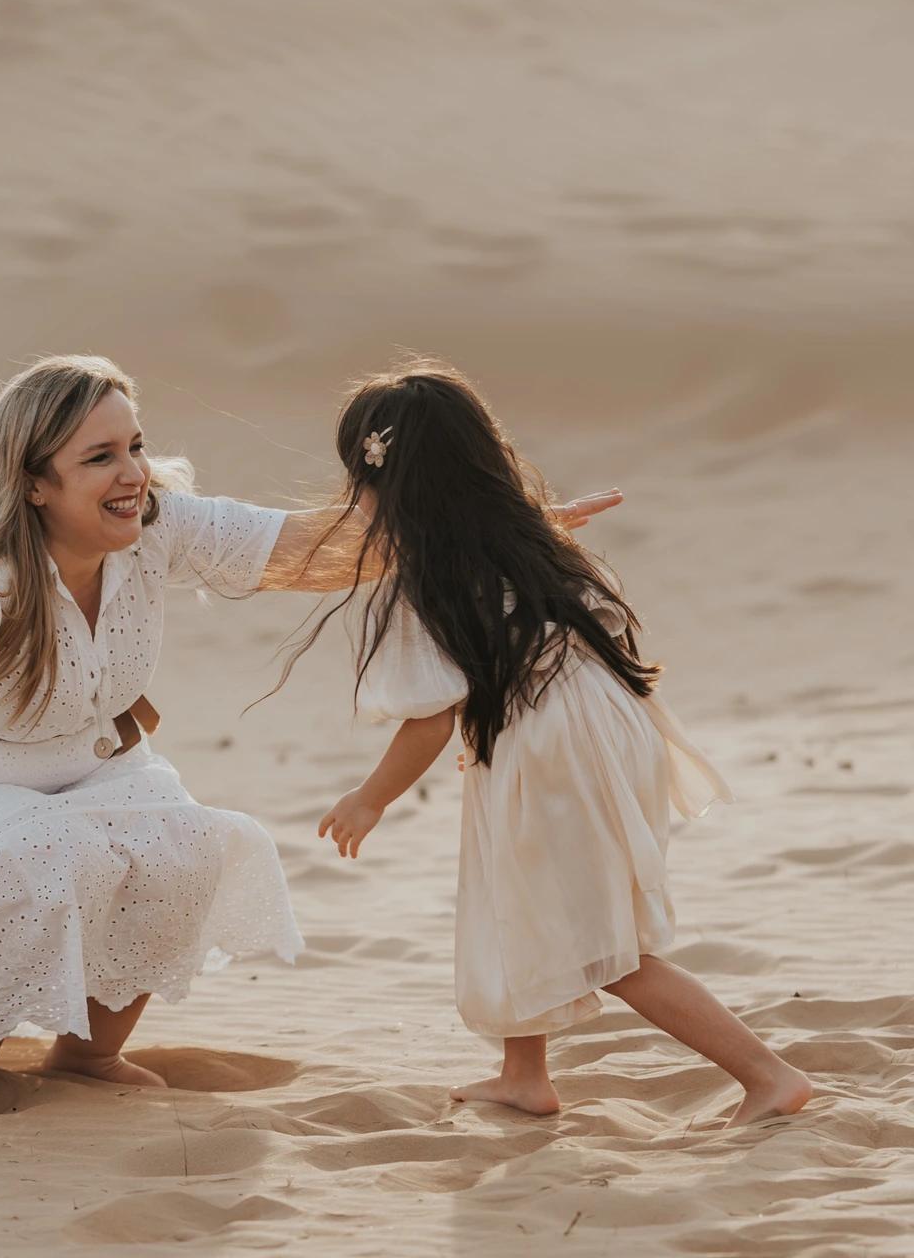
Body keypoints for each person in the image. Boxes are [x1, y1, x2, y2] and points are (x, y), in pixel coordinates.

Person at [0, 353, 618, 1111]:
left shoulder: (155, 526)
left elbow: (307, 550)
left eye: (133, 445)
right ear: (33, 483)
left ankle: (86, 1056)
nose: (131, 472)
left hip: (73, 780)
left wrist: (504, 529)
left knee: (188, 848)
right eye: (99, 457)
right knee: (47, 855)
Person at [316, 359, 812, 1126]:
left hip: (552, 749)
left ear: (382, 480)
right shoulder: (525, 537)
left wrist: (368, 798)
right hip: (595, 725)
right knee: (515, 897)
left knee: (600, 945)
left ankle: (767, 1076)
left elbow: (429, 719)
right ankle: (523, 1075)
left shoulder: (428, 573)